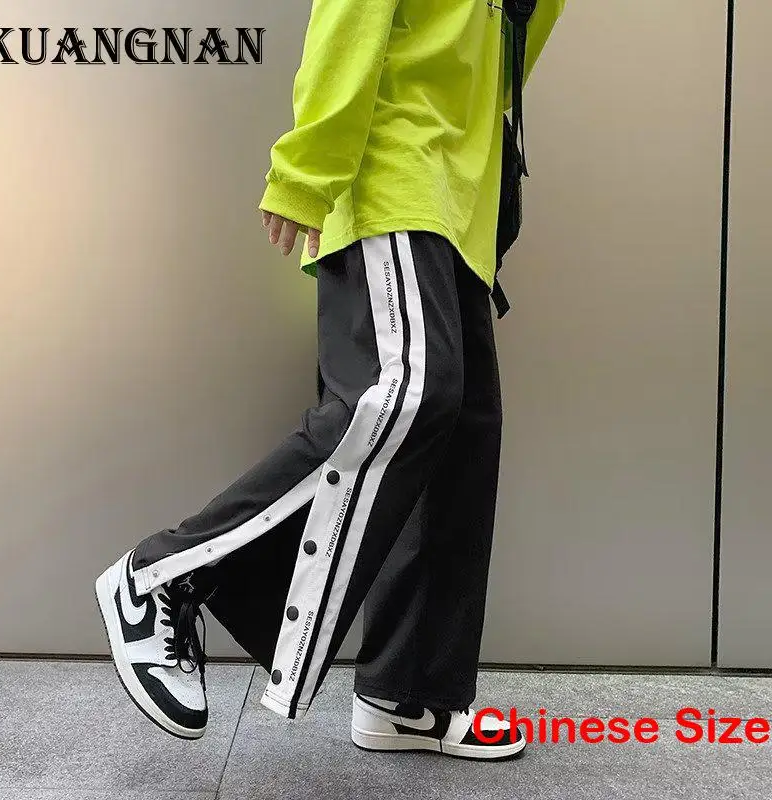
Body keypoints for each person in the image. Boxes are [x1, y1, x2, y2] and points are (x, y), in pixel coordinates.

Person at [95, 0, 565, 761]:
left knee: (462, 435)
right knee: (406, 392)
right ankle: (163, 577)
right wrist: (308, 169)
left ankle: (408, 694)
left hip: (463, 194)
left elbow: (509, 51)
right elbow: (350, 15)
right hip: (393, 171)